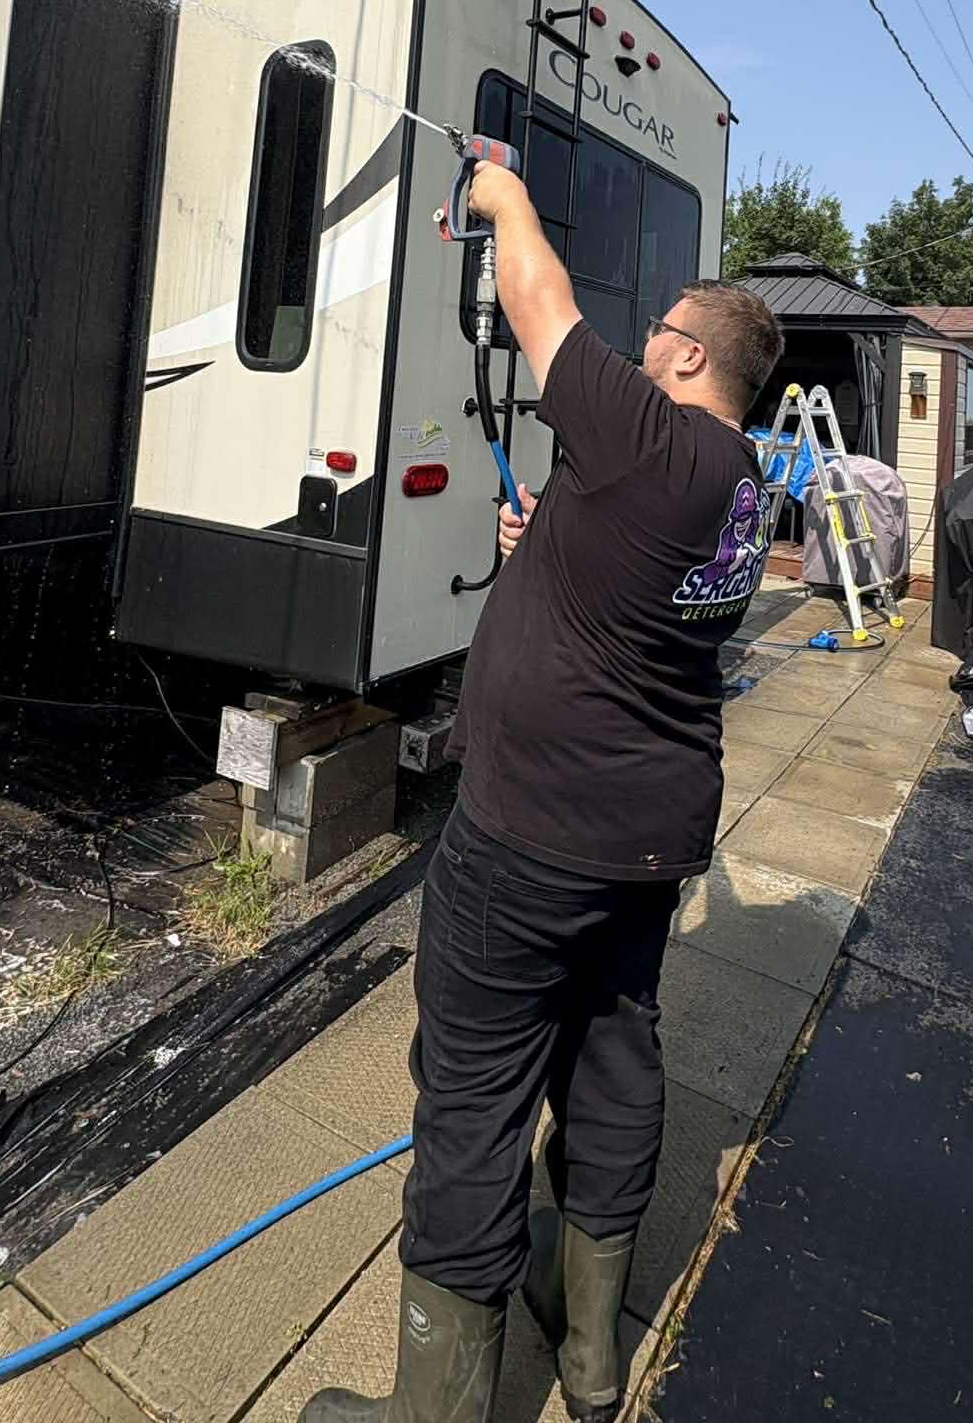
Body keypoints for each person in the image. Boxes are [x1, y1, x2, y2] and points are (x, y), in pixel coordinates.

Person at [302, 161, 783, 1423]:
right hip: (645, 840)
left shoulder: (654, 437)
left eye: (660, 333)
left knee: (471, 1099)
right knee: (617, 1058)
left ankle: (437, 1411)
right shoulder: (741, 486)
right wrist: (549, 540)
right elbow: (649, 590)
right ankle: (588, 1355)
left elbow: (536, 300)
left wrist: (505, 195)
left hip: (528, 840)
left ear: (687, 360)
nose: (641, 343)